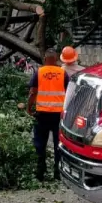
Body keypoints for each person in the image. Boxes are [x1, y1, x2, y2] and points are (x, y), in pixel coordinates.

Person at [27, 49, 67, 181]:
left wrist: (29, 107)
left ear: (45, 58)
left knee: (40, 144)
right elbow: (70, 93)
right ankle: (58, 173)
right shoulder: (63, 73)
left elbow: (33, 92)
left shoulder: (39, 72)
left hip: (41, 114)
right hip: (58, 115)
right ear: (56, 59)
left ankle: (40, 173)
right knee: (58, 144)